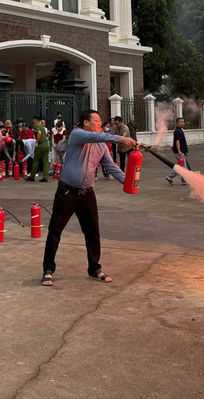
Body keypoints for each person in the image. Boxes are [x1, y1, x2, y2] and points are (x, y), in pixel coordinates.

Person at [41, 110, 137, 286]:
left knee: (93, 232)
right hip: (67, 193)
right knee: (55, 230)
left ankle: (94, 268)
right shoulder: (77, 134)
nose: (100, 124)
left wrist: (129, 182)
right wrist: (119, 139)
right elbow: (95, 137)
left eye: (101, 121)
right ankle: (48, 269)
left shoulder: (101, 145)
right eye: (97, 121)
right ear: (86, 122)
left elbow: (112, 166)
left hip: (87, 194)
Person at [166, 117, 190, 185]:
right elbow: (177, 141)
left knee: (181, 166)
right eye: (181, 122)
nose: (183, 123)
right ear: (177, 123)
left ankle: (180, 179)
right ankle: (172, 177)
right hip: (179, 152)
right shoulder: (177, 131)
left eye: (183, 122)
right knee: (182, 167)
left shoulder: (180, 130)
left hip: (181, 151)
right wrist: (179, 151)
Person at [27, 115, 50, 182]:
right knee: (45, 161)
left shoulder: (36, 125)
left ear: (35, 120)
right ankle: (45, 177)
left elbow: (39, 133)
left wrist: (36, 142)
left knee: (35, 161)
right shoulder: (42, 127)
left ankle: (32, 176)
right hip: (46, 144)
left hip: (41, 145)